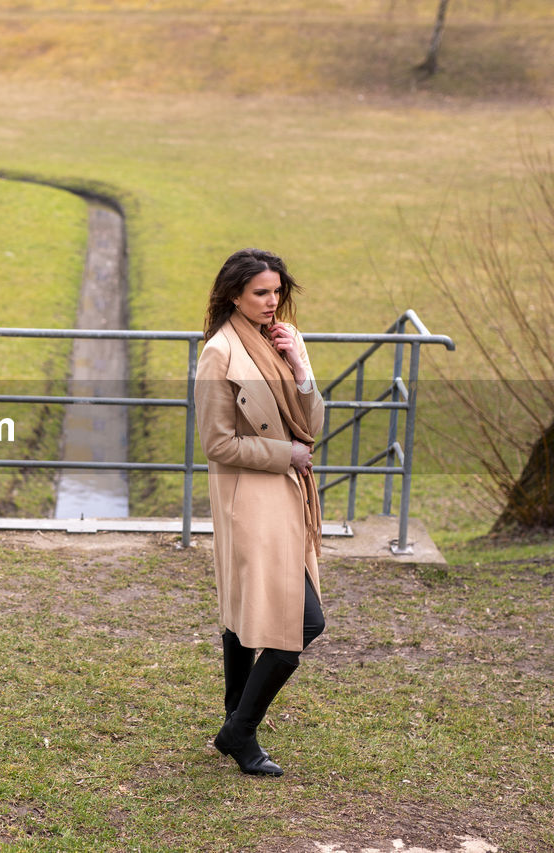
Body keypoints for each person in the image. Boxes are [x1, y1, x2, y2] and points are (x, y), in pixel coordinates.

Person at [193, 248, 326, 777]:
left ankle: (235, 725)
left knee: (248, 617)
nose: (272, 303)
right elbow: (216, 443)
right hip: (249, 497)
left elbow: (310, 423)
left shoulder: (280, 342)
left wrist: (301, 365)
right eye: (260, 293)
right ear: (233, 295)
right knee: (299, 622)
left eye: (276, 291)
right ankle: (240, 730)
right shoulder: (219, 353)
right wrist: (284, 455)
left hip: (284, 494)